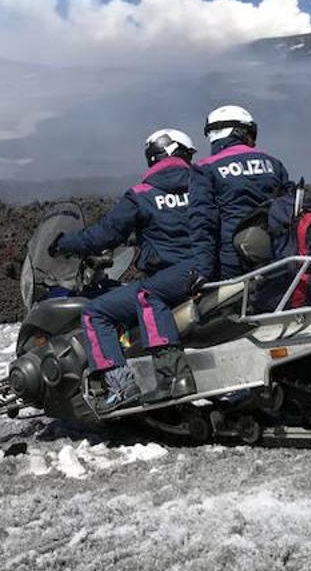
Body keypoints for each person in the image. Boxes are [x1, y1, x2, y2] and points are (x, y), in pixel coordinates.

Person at [52, 129, 200, 412]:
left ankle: (122, 387)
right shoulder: (204, 189)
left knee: (96, 313)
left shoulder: (141, 195)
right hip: (206, 272)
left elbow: (103, 236)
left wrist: (65, 244)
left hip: (167, 282)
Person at [189, 105, 292, 282]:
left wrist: (202, 271)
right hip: (276, 254)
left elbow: (203, 222)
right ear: (243, 132)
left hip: (233, 258)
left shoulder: (205, 169)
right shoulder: (274, 163)